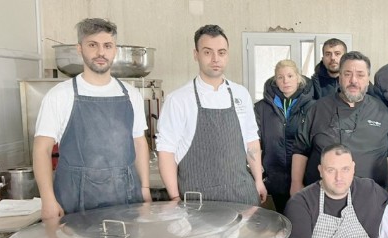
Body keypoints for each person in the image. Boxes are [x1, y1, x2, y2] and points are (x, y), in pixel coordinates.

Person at [33, 18, 151, 218]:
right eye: (92, 45)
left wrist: (145, 189)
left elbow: (139, 143)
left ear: (115, 49)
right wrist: (48, 199)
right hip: (75, 199)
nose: (100, 53)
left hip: (126, 197)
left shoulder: (131, 95)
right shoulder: (60, 95)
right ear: (80, 49)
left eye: (107, 45)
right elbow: (41, 149)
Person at [157, 24, 266, 206]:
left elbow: (251, 140)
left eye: (221, 52)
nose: (215, 59)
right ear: (196, 54)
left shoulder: (241, 94)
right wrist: (175, 198)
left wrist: (258, 180)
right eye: (208, 52)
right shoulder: (178, 99)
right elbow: (166, 151)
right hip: (198, 201)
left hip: (242, 195)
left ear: (227, 55)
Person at [291, 51, 388, 197]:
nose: (353, 80)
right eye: (347, 74)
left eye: (360, 75)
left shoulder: (382, 111)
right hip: (321, 196)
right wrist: (296, 182)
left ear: (368, 79)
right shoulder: (317, 109)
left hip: (371, 197)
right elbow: (300, 150)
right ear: (340, 77)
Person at [254, 60, 315, 213]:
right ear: (275, 81)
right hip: (275, 178)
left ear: (298, 78)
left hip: (305, 178)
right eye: (280, 77)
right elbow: (255, 141)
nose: (285, 81)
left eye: (290, 76)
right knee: (280, 221)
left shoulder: (313, 106)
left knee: (300, 221)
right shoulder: (262, 108)